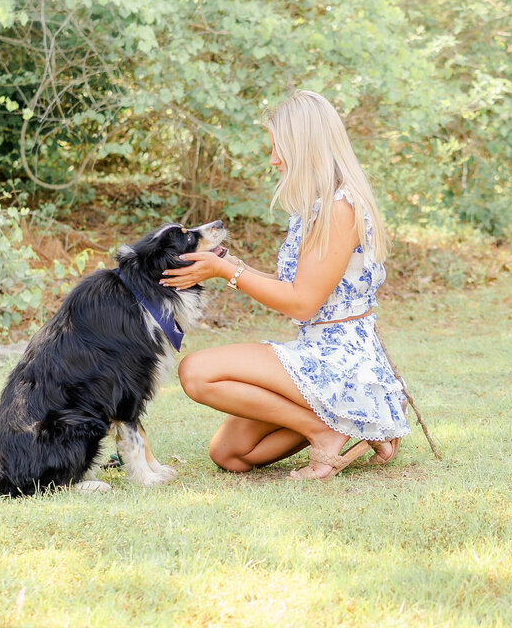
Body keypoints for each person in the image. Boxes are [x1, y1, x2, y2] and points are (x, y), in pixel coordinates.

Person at [161, 90, 412, 480]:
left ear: (305, 146)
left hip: (339, 360)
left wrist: (226, 272)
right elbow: (296, 287)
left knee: (196, 371)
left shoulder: (338, 209)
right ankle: (343, 425)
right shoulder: (314, 207)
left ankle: (327, 430)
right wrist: (234, 267)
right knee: (229, 454)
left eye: (278, 147)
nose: (274, 159)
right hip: (315, 349)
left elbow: (301, 303)